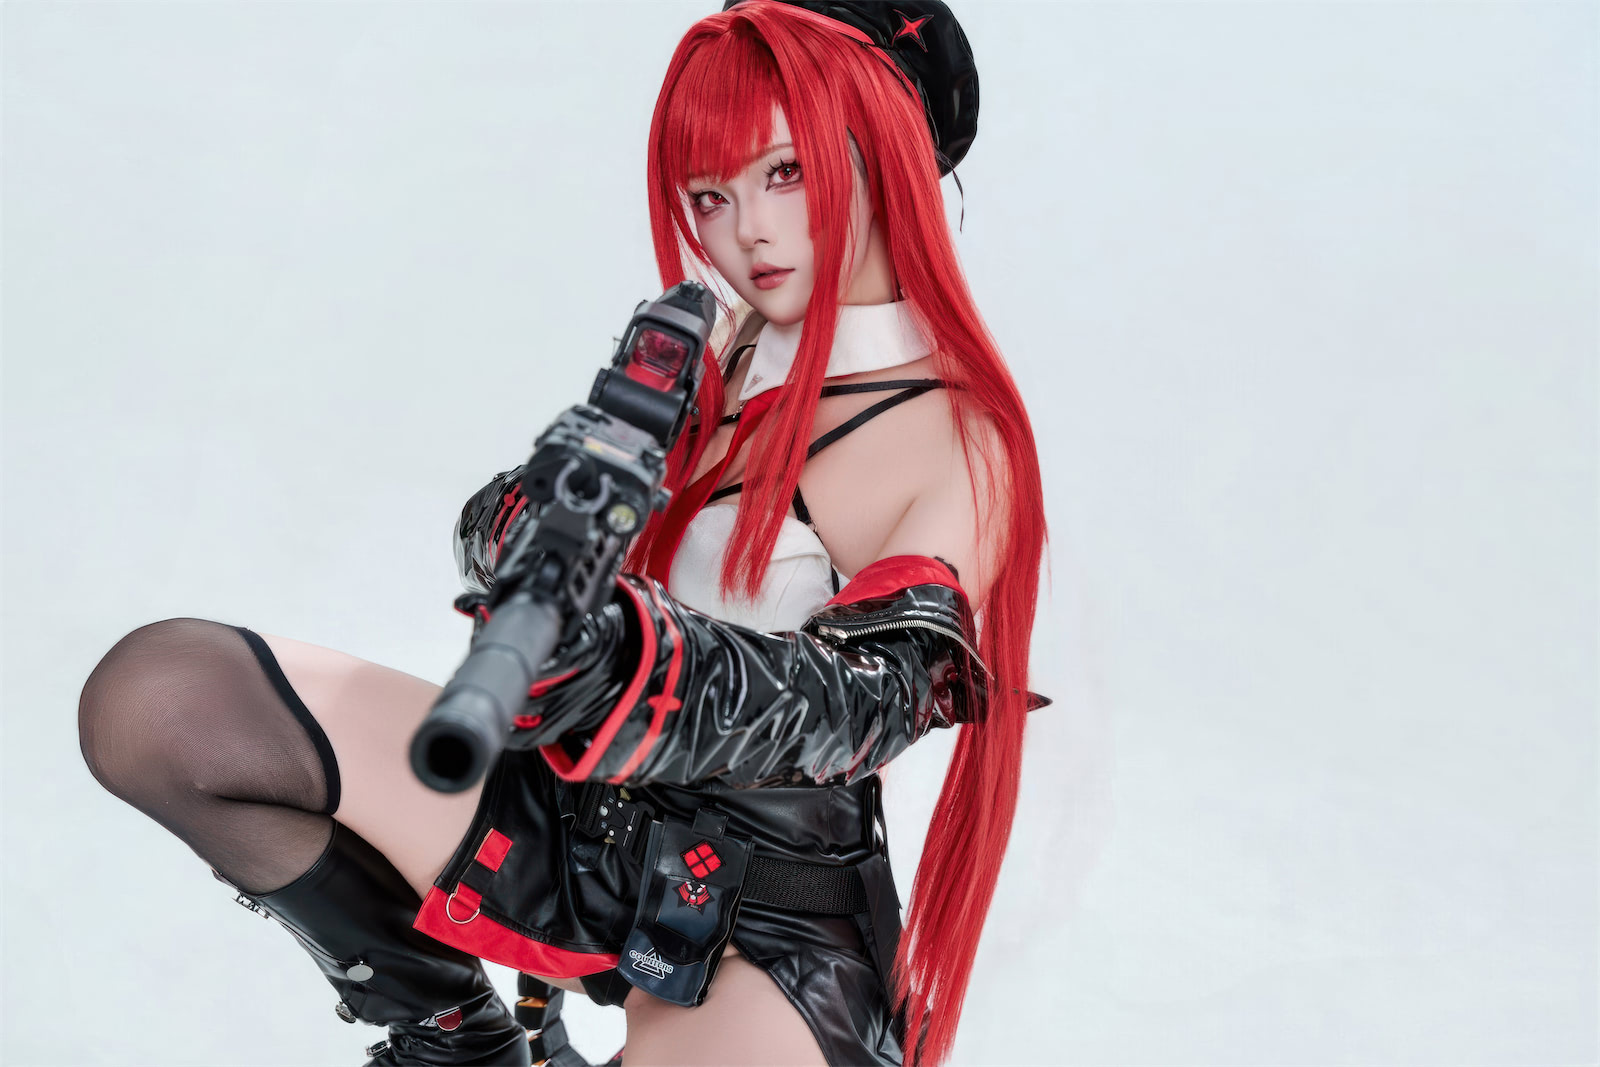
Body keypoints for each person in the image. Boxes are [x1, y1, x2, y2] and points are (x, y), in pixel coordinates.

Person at [77, 1, 1049, 1064]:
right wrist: (531, 528)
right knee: (163, 696)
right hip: (576, 821)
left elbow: (866, 700)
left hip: (767, 908)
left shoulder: (955, 437)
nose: (750, 232)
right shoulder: (713, 356)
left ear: (888, 152)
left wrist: (628, 657)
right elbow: (510, 533)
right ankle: (453, 1034)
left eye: (787, 172)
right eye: (710, 195)